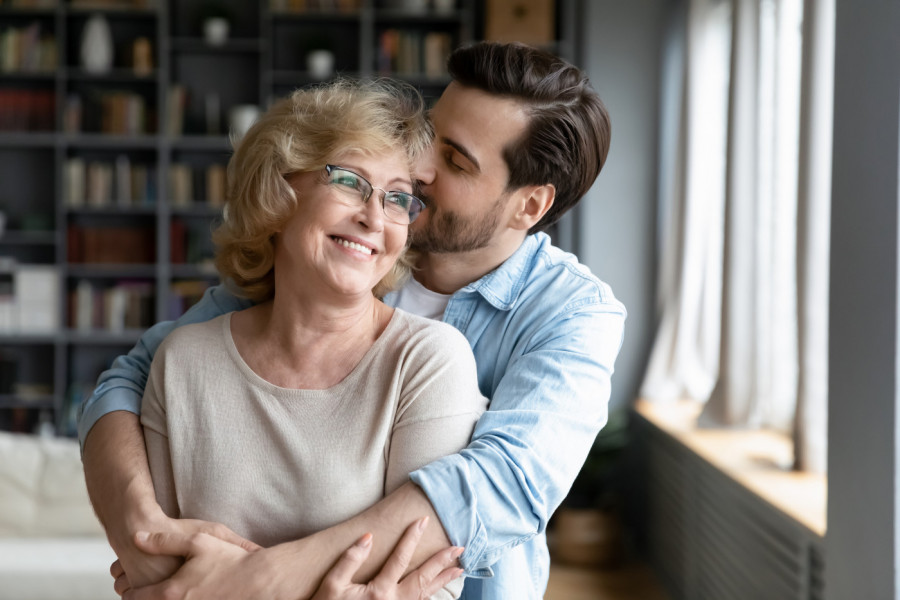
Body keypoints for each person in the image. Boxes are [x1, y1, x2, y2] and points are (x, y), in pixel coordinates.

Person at [78, 41, 626, 600]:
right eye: (432, 135)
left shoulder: (573, 313)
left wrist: (254, 582)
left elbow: (499, 486)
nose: (422, 167)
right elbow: (132, 381)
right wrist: (144, 533)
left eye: (457, 161)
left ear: (528, 206)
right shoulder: (331, 259)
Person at [136, 78, 486, 599]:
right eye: (349, 180)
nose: (373, 217)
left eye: (398, 199)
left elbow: (431, 587)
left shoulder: (428, 362)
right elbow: (164, 580)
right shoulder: (184, 361)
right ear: (277, 188)